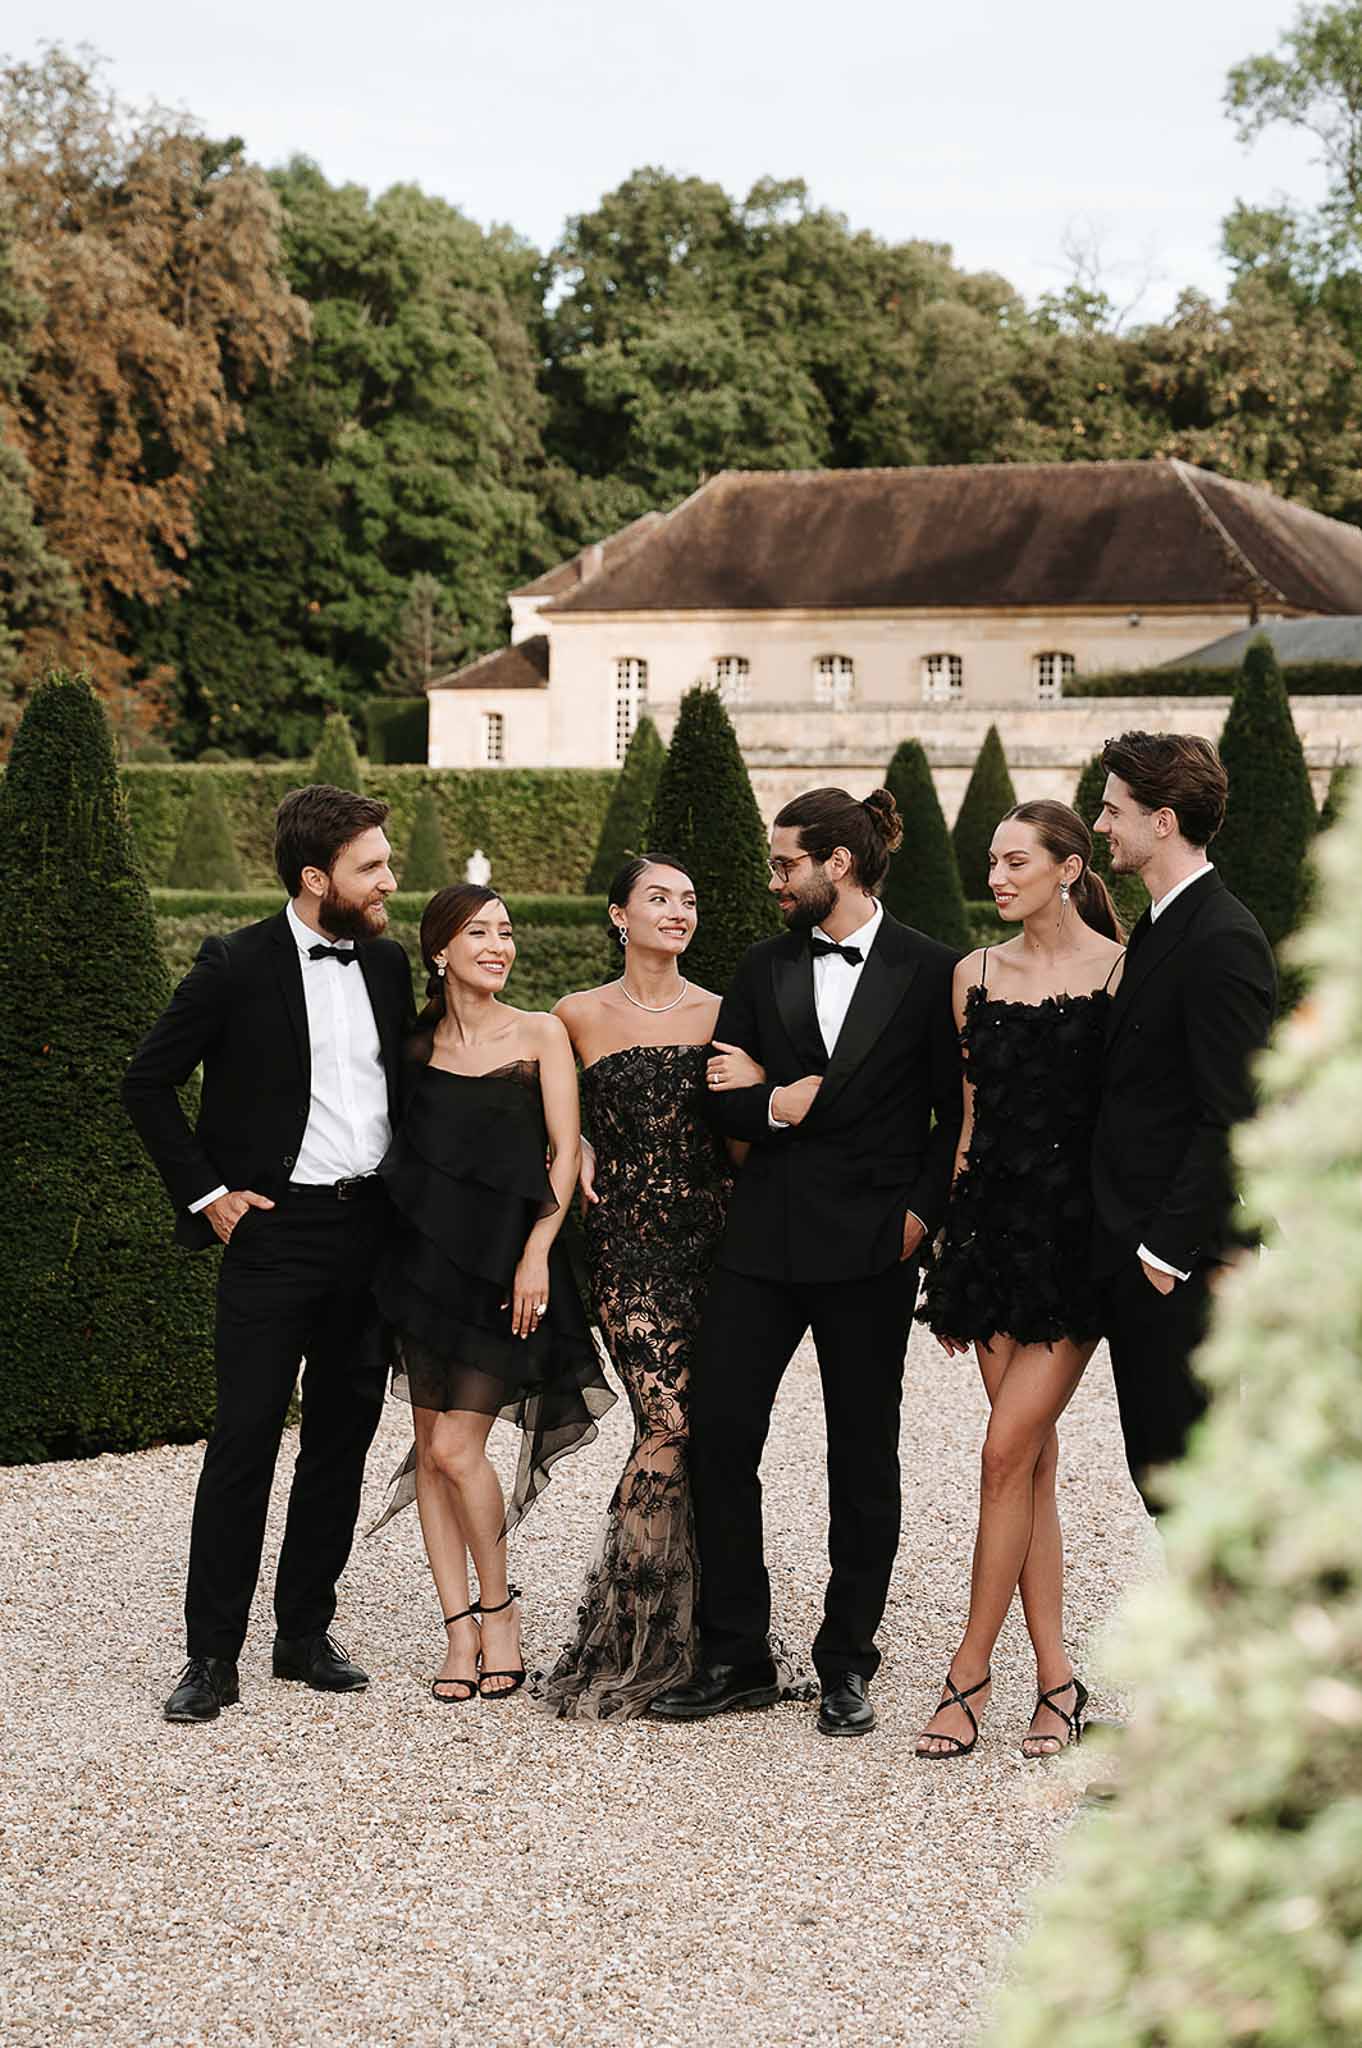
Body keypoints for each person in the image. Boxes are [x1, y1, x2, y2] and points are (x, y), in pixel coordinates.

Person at [649, 787, 962, 1738]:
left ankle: (847, 1660)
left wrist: (920, 1216)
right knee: (722, 1436)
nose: (773, 876)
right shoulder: (761, 964)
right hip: (765, 1242)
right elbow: (721, 1101)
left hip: (873, 1247)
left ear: (838, 861)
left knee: (862, 1455)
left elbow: (954, 1115)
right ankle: (738, 1652)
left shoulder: (930, 969)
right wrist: (786, 1101)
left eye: (785, 861)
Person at [122, 784, 416, 1724]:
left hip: (369, 1234)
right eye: (372, 868)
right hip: (273, 1233)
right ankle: (210, 1655)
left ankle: (303, 1633)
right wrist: (209, 1196)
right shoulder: (236, 963)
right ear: (315, 878)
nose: (390, 881)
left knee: (342, 1439)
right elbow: (148, 1083)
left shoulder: (389, 965)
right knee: (244, 1441)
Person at [534, 855, 805, 1719]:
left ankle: (702, 1634)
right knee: (669, 1423)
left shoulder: (726, 1013)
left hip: (717, 1246)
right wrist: (574, 1149)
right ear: (619, 914)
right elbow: (534, 1112)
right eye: (659, 898)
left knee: (708, 1437)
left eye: (689, 899)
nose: (678, 911)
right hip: (628, 1251)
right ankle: (637, 1635)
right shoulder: (573, 1016)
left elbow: (741, 1137)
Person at [367, 885, 616, 1703]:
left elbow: (563, 1146)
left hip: (511, 1271)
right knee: (435, 1460)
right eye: (480, 933)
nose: (499, 946)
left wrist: (539, 1251)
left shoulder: (540, 1033)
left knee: (452, 1452)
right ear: (440, 950)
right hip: (422, 1267)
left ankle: (500, 1608)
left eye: (506, 932)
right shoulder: (411, 1047)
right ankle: (457, 1628)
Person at [914, 801, 1124, 1761]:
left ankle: (969, 1672)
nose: (994, 878)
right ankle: (1059, 1680)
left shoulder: (1123, 972)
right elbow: (966, 1123)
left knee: (1004, 1455)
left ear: (1069, 867)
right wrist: (951, 1253)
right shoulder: (973, 974)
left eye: (1013, 862)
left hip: (1074, 1245)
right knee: (1028, 1462)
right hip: (990, 1238)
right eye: (991, 862)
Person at [1092, 730, 1276, 1510]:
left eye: (1112, 810)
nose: (1100, 826)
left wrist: (1163, 1252)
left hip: (1174, 1261)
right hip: (1134, 1244)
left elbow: (1232, 1114)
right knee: (1162, 1474)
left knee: (1188, 1483)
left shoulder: (1223, 937)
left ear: (1161, 821)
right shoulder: (1167, 923)